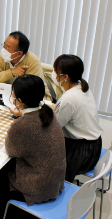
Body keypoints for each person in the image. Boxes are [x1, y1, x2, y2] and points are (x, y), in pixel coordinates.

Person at [0, 75, 66, 219]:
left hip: (36, 188)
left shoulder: (22, 125)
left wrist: (17, 123)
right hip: (56, 180)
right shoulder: (48, 112)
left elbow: (10, 150)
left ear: (19, 101)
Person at [52, 54, 103, 182]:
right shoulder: (81, 85)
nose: (53, 74)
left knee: (41, 150)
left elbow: (54, 127)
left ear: (65, 77)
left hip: (81, 152)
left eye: (55, 71)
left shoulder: (68, 99)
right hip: (94, 144)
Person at [0, 31, 52, 100]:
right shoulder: (2, 57)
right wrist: (11, 72)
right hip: (12, 98)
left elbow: (31, 91)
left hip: (37, 100)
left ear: (19, 54)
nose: (4, 50)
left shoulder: (32, 61)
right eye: (4, 45)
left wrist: (3, 88)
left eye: (7, 48)